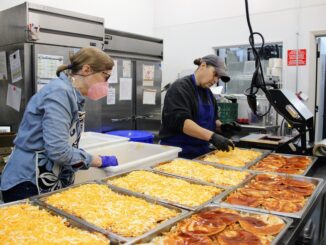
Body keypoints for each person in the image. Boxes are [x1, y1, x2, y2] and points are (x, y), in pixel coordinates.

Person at [1, 47, 118, 203]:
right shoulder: (59, 93)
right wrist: (97, 160)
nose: (106, 84)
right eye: (106, 76)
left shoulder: (72, 94)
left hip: (46, 176)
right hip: (28, 180)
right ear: (86, 70)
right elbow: (58, 149)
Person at [159, 54, 239, 159]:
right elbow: (182, 123)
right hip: (178, 154)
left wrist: (222, 127)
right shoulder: (180, 88)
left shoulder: (208, 93)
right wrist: (212, 137)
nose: (215, 80)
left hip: (200, 153)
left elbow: (212, 120)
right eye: (215, 74)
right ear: (203, 66)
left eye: (218, 78)